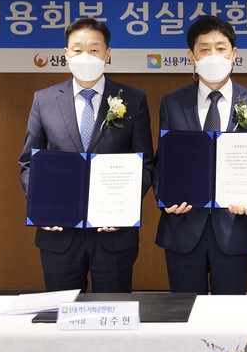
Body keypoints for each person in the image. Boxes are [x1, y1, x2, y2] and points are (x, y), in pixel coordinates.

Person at [18, 18, 154, 293]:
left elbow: (145, 164)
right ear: (66, 54)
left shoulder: (133, 99)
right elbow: (29, 163)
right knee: (62, 309)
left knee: (113, 310)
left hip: (114, 233)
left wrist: (123, 209)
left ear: (107, 54)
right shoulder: (44, 100)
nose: (86, 56)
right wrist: (43, 207)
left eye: (93, 49)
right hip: (59, 232)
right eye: (78, 49)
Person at [155, 15, 247, 295]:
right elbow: (163, 163)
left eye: (220, 48)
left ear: (234, 54)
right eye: (204, 49)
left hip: (234, 229)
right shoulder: (172, 103)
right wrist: (165, 198)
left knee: (230, 314)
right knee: (184, 313)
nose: (213, 56)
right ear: (192, 57)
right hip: (183, 228)